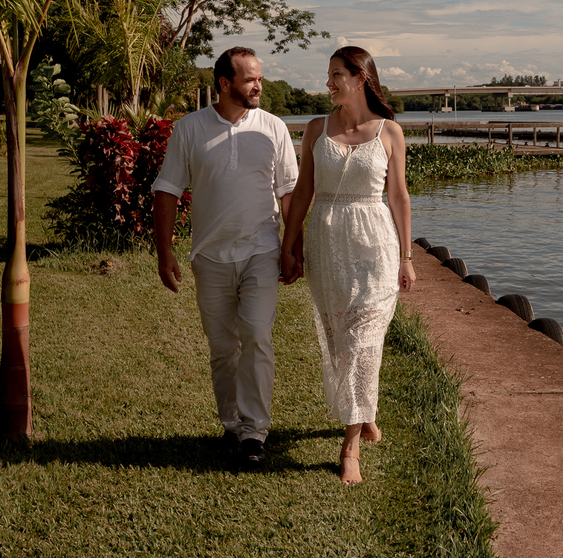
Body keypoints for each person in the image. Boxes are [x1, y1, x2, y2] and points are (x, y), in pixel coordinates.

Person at [152, 46, 299, 469]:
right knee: (223, 349)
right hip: (210, 255)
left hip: (261, 250)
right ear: (224, 84)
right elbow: (167, 189)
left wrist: (292, 248)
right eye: (251, 79)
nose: (259, 85)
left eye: (260, 78)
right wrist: (166, 252)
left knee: (256, 334)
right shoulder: (190, 129)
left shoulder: (273, 128)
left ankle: (254, 432)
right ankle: (232, 424)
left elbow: (288, 193)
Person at [280, 45, 414, 485]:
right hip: (328, 242)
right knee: (342, 339)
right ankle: (365, 411)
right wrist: (290, 243)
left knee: (362, 339)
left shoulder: (390, 132)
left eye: (337, 74)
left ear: (361, 78)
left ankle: (350, 446)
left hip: (376, 246)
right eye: (329, 74)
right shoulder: (316, 128)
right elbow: (302, 193)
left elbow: (398, 197)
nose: (329, 82)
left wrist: (408, 257)